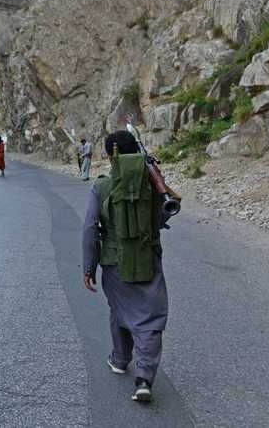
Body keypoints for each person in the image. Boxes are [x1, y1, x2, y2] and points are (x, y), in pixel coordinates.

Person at [81, 130, 168, 403]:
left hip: (113, 263)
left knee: (119, 308)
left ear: (110, 156)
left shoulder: (102, 186)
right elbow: (165, 213)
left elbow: (89, 229)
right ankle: (143, 378)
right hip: (147, 258)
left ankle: (119, 359)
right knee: (150, 319)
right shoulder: (152, 180)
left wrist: (88, 267)